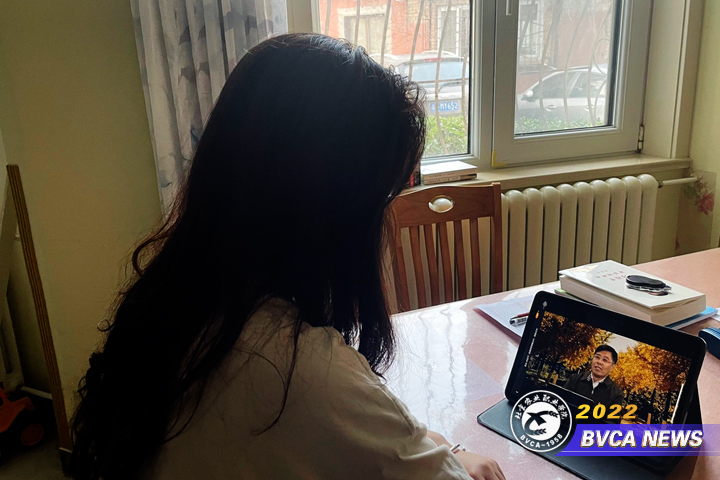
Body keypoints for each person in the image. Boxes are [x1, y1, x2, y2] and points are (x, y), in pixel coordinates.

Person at [67, 34, 505, 480]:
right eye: (385, 196)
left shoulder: (176, 300)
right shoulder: (302, 370)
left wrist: (434, 446)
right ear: (336, 209)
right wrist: (451, 457)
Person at [563, 345, 624, 409]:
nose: (599, 362)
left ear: (612, 367)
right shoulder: (574, 379)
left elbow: (612, 416)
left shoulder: (616, 394)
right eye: (597, 357)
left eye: (605, 360)